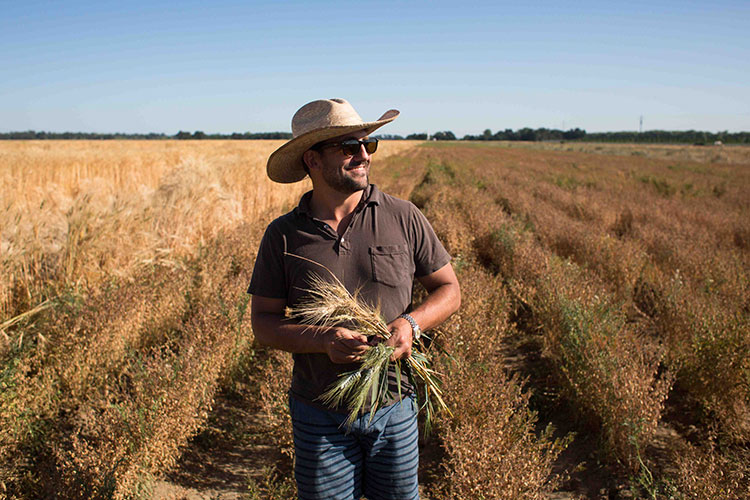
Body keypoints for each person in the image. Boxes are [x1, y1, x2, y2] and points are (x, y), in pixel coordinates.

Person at [248, 98, 460, 500]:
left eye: (367, 144)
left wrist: (411, 325)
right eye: (348, 146)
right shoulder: (283, 236)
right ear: (312, 160)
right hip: (319, 414)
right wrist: (323, 341)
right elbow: (263, 322)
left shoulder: (403, 216)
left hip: (395, 406)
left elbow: (449, 289)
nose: (363, 154)